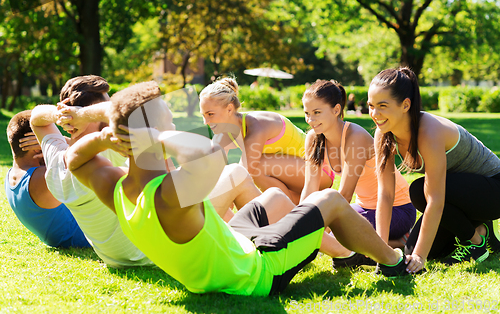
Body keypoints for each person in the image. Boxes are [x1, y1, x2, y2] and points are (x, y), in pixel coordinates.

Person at [65, 80, 410, 297]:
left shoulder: (119, 190)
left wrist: (103, 135)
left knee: (274, 198)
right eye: (170, 123)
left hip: (226, 253)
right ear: (154, 135)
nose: (179, 127)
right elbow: (205, 156)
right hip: (252, 275)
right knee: (330, 199)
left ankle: (344, 253)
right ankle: (393, 261)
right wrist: (154, 135)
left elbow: (76, 160)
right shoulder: (168, 194)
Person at [368, 67, 500, 274]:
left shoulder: (429, 131)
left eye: (382, 106)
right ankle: (481, 229)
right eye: (371, 106)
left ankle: (476, 239)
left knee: (420, 191)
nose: (375, 114)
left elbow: (435, 199)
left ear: (405, 105)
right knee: (414, 251)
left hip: (493, 190)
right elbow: (385, 194)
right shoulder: (383, 134)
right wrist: (381, 251)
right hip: (461, 196)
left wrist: (420, 257)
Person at [30, 75, 154, 268]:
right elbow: (124, 112)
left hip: (115, 260)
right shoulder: (111, 147)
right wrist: (82, 115)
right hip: (152, 254)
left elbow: (37, 118)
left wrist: (60, 115)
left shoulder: (57, 160)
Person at [301, 80, 416, 267]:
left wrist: (311, 229)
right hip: (364, 208)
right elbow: (309, 187)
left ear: (336, 110)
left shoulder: (355, 137)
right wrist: (300, 220)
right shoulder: (313, 139)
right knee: (327, 235)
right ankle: (393, 242)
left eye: (317, 113)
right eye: (307, 113)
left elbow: (344, 194)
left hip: (398, 209)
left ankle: (400, 241)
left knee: (337, 235)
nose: (310, 120)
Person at [199, 77, 332, 204]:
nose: (206, 121)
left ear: (229, 109)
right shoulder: (222, 136)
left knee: (255, 168)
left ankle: (288, 214)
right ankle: (290, 211)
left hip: (320, 172)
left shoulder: (257, 125)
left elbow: (241, 175)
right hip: (294, 180)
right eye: (203, 115)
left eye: (210, 114)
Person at [5, 110, 90, 248]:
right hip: (85, 238)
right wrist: (64, 141)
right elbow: (88, 157)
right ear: (38, 149)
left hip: (66, 238)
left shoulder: (12, 176)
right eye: (52, 140)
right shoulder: (42, 177)